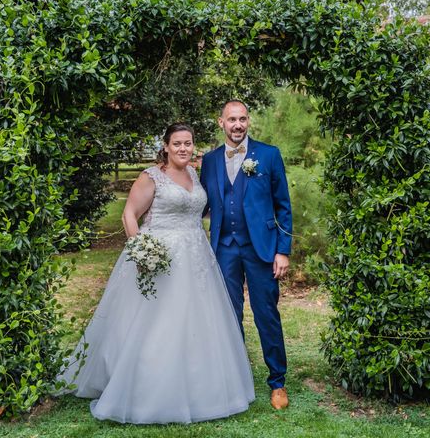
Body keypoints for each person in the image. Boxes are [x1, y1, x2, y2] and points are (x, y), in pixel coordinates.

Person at [57, 123, 255, 424]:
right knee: (155, 322)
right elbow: (129, 214)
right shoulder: (151, 177)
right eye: (177, 143)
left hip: (196, 257)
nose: (183, 149)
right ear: (165, 146)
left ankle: (199, 384)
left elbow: (198, 210)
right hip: (160, 257)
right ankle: (145, 384)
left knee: (197, 321)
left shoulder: (193, 174)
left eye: (188, 143)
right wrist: (140, 251)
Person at [200, 100, 292, 410]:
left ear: (248, 121)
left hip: (261, 249)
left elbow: (283, 206)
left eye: (242, 119)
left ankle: (277, 382)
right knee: (228, 316)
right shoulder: (210, 161)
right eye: (231, 120)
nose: (237, 125)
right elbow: (200, 203)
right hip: (224, 248)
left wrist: (283, 250)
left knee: (266, 314)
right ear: (220, 123)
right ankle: (235, 380)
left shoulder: (268, 155)